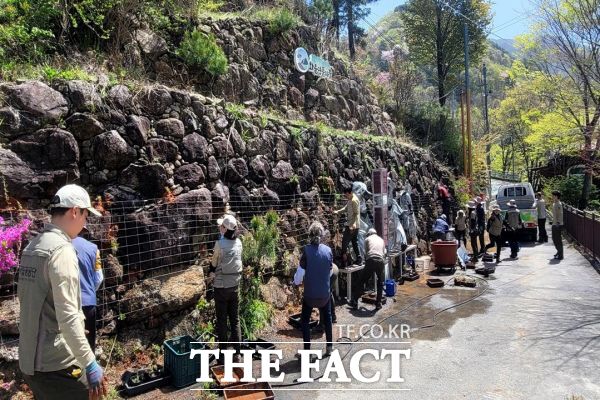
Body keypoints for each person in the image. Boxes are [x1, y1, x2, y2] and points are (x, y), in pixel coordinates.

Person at [18, 184, 106, 400]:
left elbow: (32, 302)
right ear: (75, 211)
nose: (85, 223)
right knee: (95, 395)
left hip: (29, 360)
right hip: (54, 364)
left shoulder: (32, 247)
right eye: (86, 215)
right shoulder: (62, 251)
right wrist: (89, 362)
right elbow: (68, 316)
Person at [298, 222, 333, 356]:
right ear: (322, 235)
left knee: (305, 320)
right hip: (324, 294)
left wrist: (296, 282)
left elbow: (300, 274)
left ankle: (307, 351)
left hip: (310, 295)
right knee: (328, 317)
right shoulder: (328, 251)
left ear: (309, 235)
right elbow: (329, 271)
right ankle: (329, 348)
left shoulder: (306, 251)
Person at [211, 215, 243, 362]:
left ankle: (223, 354)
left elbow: (214, 263)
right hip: (235, 286)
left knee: (222, 320)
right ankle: (237, 354)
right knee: (235, 319)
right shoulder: (239, 243)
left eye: (221, 226)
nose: (220, 228)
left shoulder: (219, 244)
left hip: (221, 287)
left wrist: (210, 274)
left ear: (224, 229)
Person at [73, 233, 104, 353]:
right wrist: (89, 291)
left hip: (64, 305)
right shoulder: (93, 248)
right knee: (88, 348)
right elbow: (99, 278)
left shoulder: (59, 245)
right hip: (88, 303)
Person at [349, 228, 386, 310]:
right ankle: (378, 303)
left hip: (371, 260)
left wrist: (367, 266)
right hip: (380, 261)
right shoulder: (381, 240)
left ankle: (354, 301)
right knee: (380, 282)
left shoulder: (367, 239)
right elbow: (383, 253)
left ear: (369, 234)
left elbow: (366, 254)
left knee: (361, 281)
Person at [334, 186, 362, 267]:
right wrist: (337, 212)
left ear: (349, 193)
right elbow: (346, 208)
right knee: (354, 242)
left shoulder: (354, 200)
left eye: (346, 194)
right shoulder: (350, 199)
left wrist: (352, 224)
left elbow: (356, 213)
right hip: (354, 225)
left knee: (345, 242)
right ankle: (359, 259)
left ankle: (343, 260)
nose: (345, 196)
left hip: (352, 226)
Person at [551, 191, 564, 260]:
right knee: (554, 239)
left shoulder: (558, 204)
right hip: (554, 224)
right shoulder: (554, 203)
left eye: (553, 196)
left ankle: (560, 255)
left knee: (558, 240)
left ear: (556, 196)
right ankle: (559, 252)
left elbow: (560, 214)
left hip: (557, 225)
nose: (552, 197)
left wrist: (558, 223)